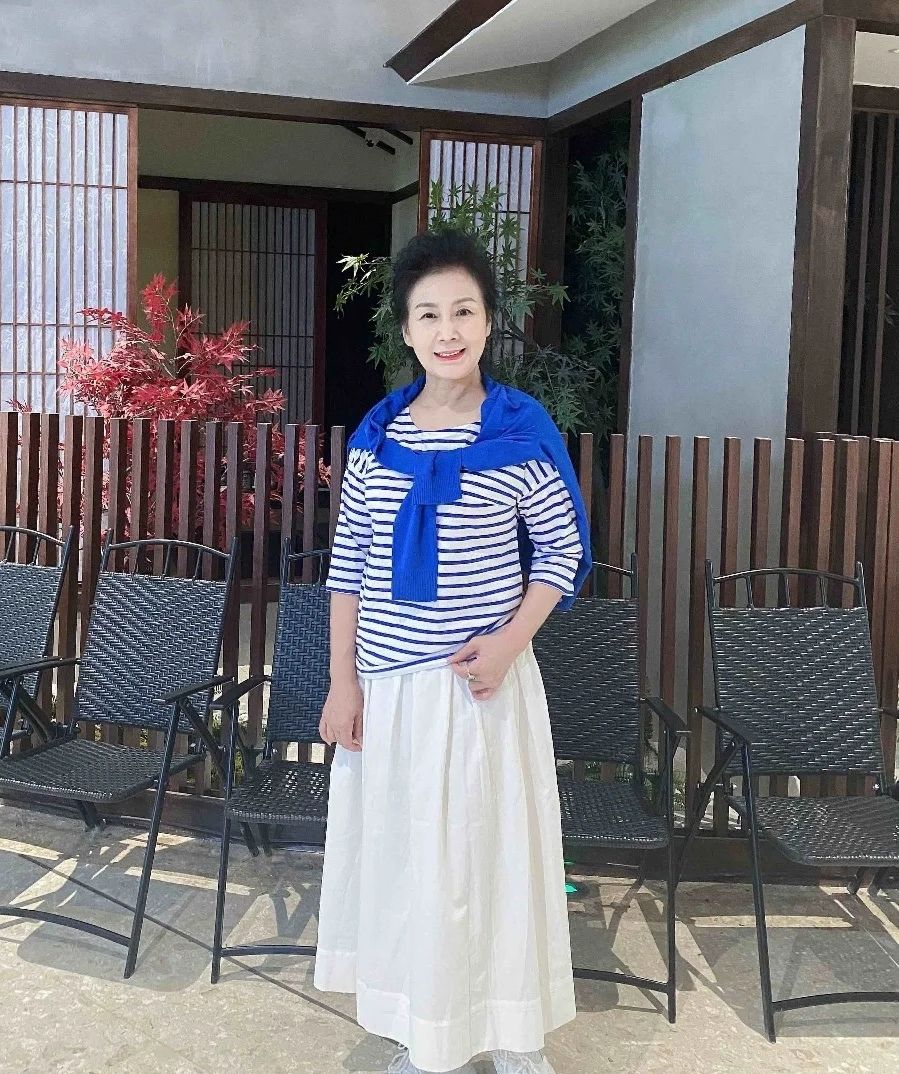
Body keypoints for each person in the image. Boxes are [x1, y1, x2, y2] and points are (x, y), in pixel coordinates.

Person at [312, 230, 592, 1074]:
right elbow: (348, 564)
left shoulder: (520, 428)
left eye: (463, 311)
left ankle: (513, 1036)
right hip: (390, 695)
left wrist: (507, 645)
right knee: (410, 869)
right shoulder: (375, 436)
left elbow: (562, 552)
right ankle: (425, 1031)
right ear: (405, 330)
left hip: (482, 692)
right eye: (428, 314)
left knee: (495, 863)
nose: (447, 330)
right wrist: (342, 683)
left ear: (488, 322)